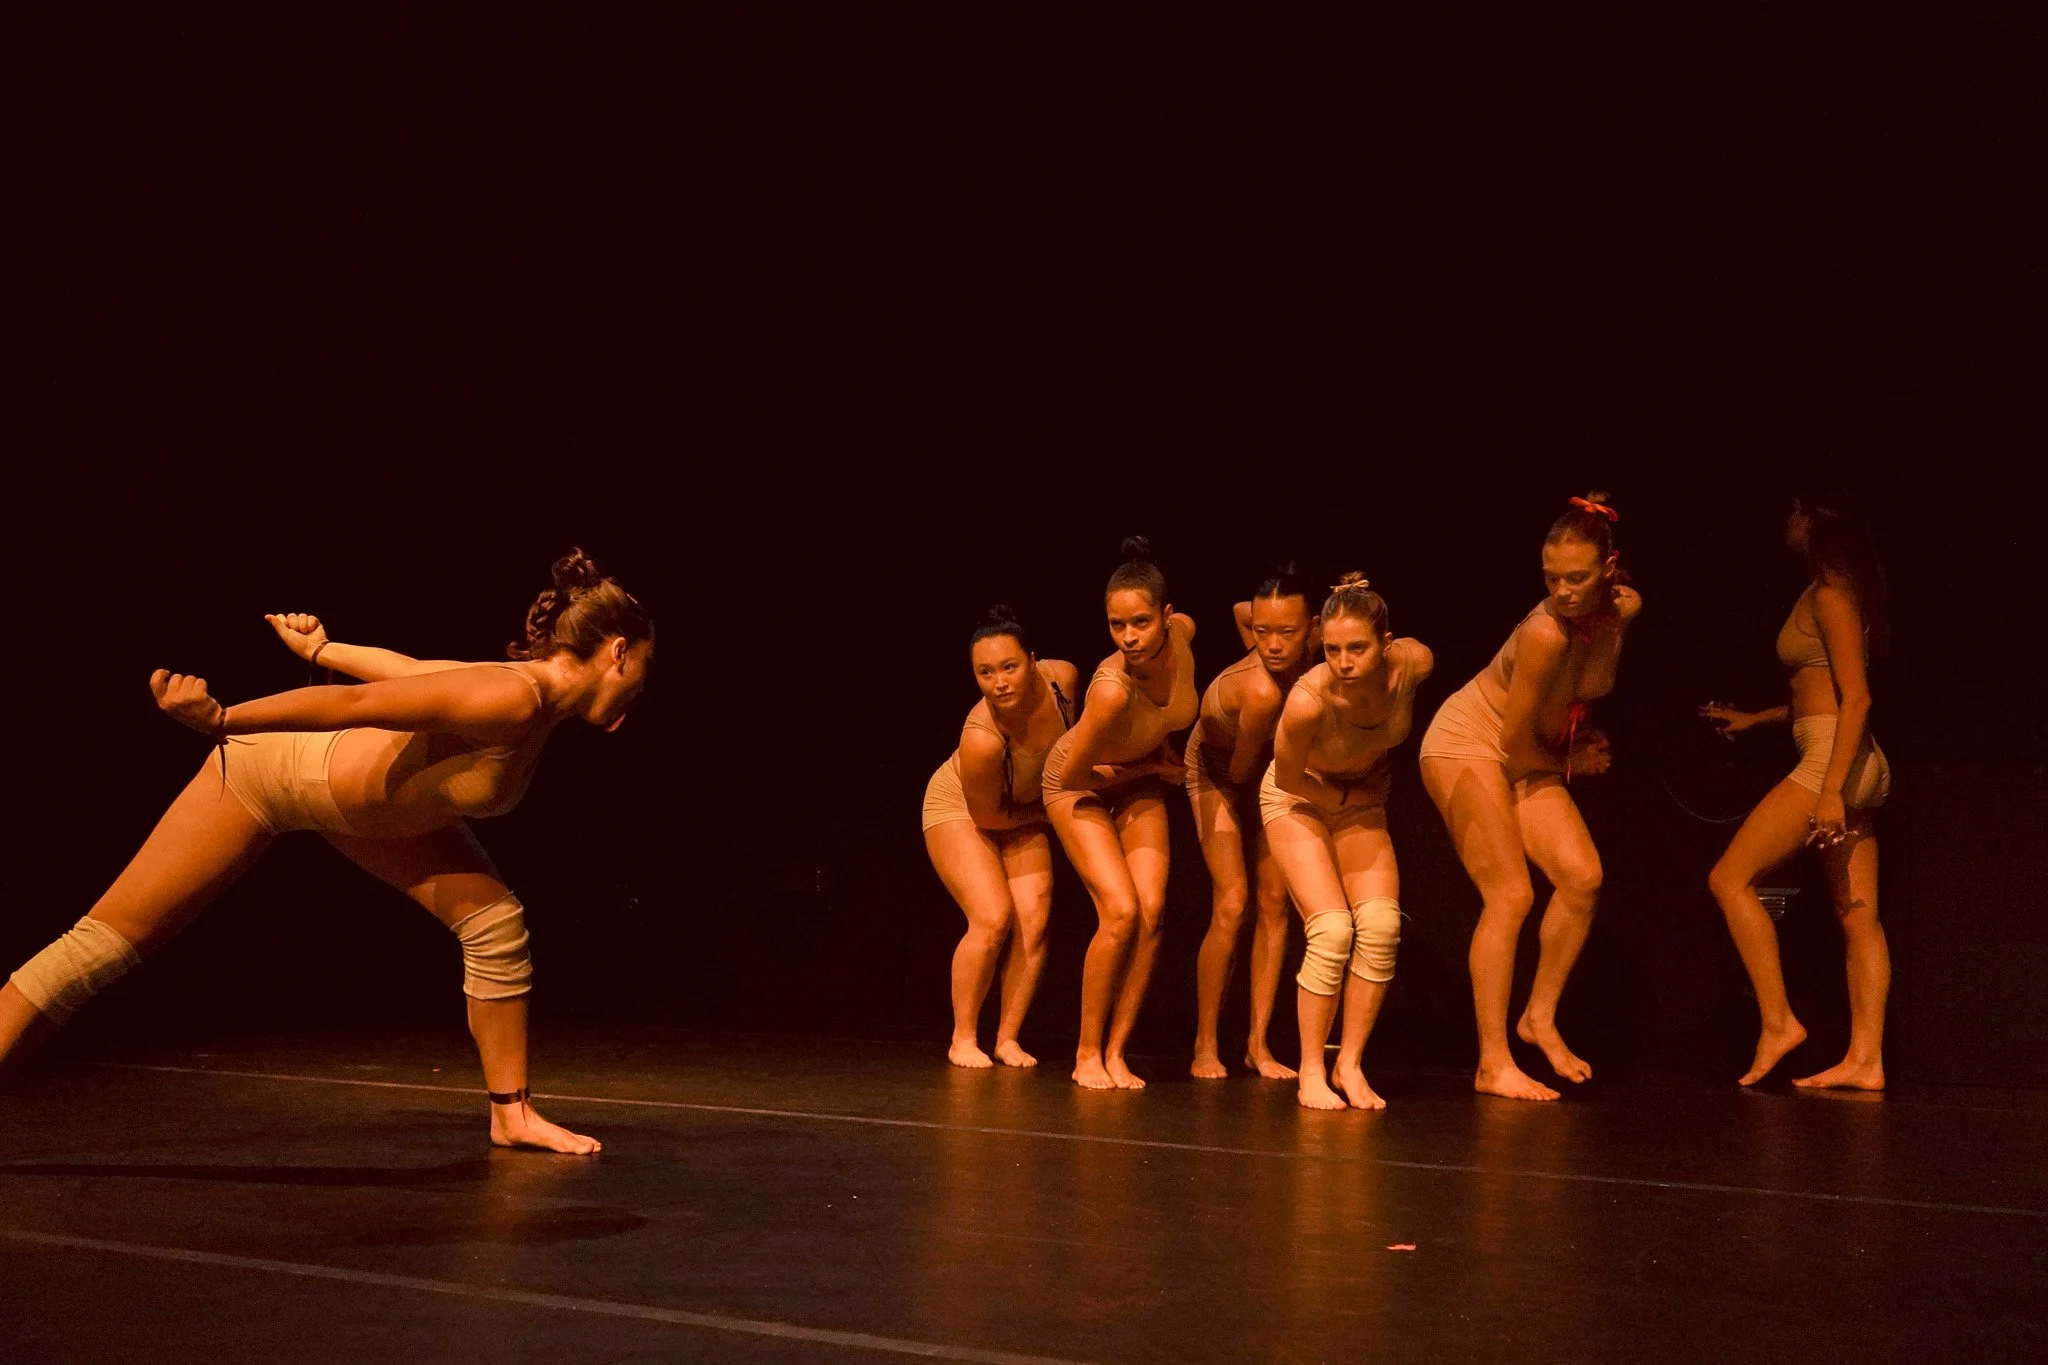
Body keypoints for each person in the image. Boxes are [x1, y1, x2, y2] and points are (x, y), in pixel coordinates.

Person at [0, 550, 654, 1154]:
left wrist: (326, 645)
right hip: (269, 773)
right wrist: (225, 720)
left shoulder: (528, 699)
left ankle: (511, 1113)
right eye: (645, 670)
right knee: (100, 948)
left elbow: (411, 672)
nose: (641, 690)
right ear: (618, 652)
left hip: (361, 813)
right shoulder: (512, 696)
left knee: (494, 922)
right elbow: (357, 702)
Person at [1419, 494, 1642, 1102]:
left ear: (1610, 568)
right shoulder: (1544, 632)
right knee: (1511, 894)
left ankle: (1538, 1016)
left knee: (1582, 877)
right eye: (1551, 578)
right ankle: (1493, 1062)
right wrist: (1572, 760)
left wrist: (1575, 733)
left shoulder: (1624, 609)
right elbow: (1513, 740)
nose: (1564, 591)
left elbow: (1574, 693)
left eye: (1578, 577)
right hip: (1466, 743)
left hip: (1522, 750)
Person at [1702, 493, 1892, 1089]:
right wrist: (1753, 720)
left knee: (1730, 879)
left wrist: (1831, 790)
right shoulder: (1832, 590)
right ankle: (1866, 1060)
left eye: (1791, 511)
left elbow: (1856, 696)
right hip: (1846, 753)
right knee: (1857, 916)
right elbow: (1817, 693)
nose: (1784, 521)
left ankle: (1779, 1021)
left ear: (1811, 519)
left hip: (1832, 761)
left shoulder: (1831, 593)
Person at [1263, 574, 1432, 1109]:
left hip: (1360, 799)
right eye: (1333, 649)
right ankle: (1312, 1070)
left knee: (1381, 927)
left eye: (1357, 647)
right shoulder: (1310, 700)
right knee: (1333, 929)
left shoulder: (1414, 664)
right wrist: (1345, 794)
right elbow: (1289, 778)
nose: (1344, 661)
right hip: (1300, 799)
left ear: (1386, 643)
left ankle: (1350, 1064)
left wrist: (1361, 791)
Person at [1041, 537, 1196, 1090]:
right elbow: (1070, 776)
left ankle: (1116, 1050)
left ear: (1167, 617)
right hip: (1080, 784)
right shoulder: (1111, 688)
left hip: (1136, 776)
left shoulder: (1186, 636)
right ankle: (1086, 1052)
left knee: (1152, 912)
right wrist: (1153, 770)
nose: (1129, 636)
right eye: (1116, 625)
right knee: (1122, 911)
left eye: (1140, 622)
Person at [922, 607, 1078, 1069]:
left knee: (1035, 917)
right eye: (985, 673)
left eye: (1009, 667)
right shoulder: (982, 738)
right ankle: (963, 1038)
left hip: (1025, 806)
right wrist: (1053, 811)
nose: (999, 682)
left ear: (1032, 660)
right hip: (964, 809)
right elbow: (988, 816)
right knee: (992, 918)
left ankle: (1007, 1037)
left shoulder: (1063, 680)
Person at [1187, 570, 1319, 1080]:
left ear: (1312, 626)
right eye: (1261, 632)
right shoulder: (1261, 689)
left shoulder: (1319, 652)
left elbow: (1244, 608)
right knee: (1233, 901)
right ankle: (1204, 1044)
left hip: (1272, 770)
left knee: (1275, 901)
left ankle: (1258, 1045)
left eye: (1286, 631)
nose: (1271, 644)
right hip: (1220, 771)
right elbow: (1239, 775)